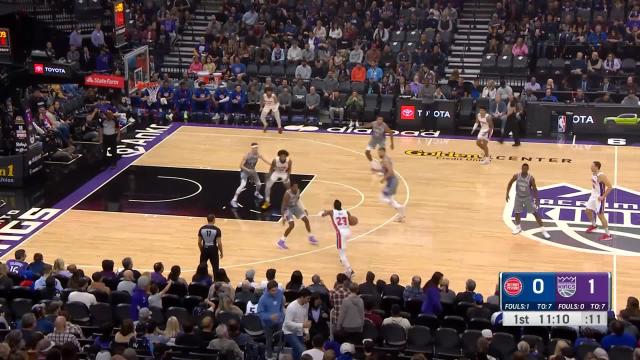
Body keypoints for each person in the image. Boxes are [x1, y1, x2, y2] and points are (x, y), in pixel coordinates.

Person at [506, 163, 551, 239]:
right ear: (521, 168)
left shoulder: (531, 178)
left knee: (535, 213)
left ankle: (543, 230)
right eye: (523, 168)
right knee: (517, 212)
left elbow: (535, 189)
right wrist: (507, 193)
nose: (524, 170)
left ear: (528, 169)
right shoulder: (516, 176)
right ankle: (518, 227)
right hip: (518, 197)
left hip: (527, 198)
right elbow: (510, 183)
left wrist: (537, 200)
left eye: (525, 168)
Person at [278, 182, 318, 249]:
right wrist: (283, 217)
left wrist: (304, 208)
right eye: (295, 187)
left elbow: (298, 200)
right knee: (291, 225)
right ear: (291, 187)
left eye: (297, 186)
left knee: (306, 220)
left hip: (295, 207)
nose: (296, 188)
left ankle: (310, 237)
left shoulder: (298, 191)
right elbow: (283, 205)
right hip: (287, 209)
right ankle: (281, 241)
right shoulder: (287, 194)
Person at [230, 143, 270, 208]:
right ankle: (233, 200)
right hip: (245, 171)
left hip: (252, 171)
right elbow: (241, 166)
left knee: (259, 184)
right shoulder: (247, 155)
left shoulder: (258, 155)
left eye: (257, 148)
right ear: (252, 148)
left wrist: (273, 165)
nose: (256, 149)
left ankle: (256, 193)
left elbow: (265, 160)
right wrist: (248, 170)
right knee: (243, 185)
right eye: (254, 148)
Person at [321, 200, 355, 277]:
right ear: (341, 205)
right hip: (348, 232)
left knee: (341, 253)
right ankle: (343, 261)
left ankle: (350, 271)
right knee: (342, 249)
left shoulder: (332, 212)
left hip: (341, 233)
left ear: (334, 206)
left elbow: (323, 214)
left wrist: (324, 212)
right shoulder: (347, 212)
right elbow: (351, 221)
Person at [585, 161, 613, 241]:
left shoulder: (602, 176)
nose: (591, 167)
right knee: (587, 211)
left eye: (592, 166)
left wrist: (603, 196)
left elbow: (610, 187)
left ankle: (608, 234)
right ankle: (594, 225)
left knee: (601, 215)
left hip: (599, 198)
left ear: (597, 167)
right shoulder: (593, 173)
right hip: (593, 196)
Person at [257, 280, 284, 360]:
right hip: (267, 324)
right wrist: (269, 317)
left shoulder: (280, 293)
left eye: (276, 290)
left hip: (279, 322)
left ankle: (279, 355)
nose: (275, 292)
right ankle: (269, 356)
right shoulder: (263, 299)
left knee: (280, 339)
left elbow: (280, 306)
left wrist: (281, 315)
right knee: (269, 341)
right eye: (273, 291)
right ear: (268, 290)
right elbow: (260, 313)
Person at [283, 288, 312, 360]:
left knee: (296, 351)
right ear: (302, 297)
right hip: (289, 332)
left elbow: (305, 319)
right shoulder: (291, 307)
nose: (309, 300)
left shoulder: (307, 304)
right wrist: (302, 325)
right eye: (308, 298)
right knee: (302, 351)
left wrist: (306, 332)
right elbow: (287, 324)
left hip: (299, 331)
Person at [378, 147, 405, 221]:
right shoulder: (385, 159)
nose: (379, 154)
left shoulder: (385, 160)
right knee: (387, 198)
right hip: (391, 182)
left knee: (382, 197)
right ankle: (400, 215)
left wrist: (383, 179)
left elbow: (390, 171)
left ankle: (400, 207)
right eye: (378, 152)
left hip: (392, 182)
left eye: (380, 152)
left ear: (384, 152)